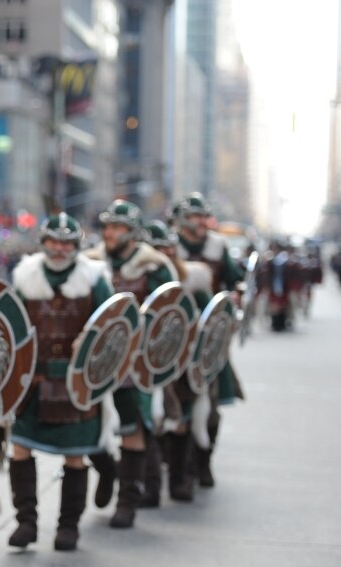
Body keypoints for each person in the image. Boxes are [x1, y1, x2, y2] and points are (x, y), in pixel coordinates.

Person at [7, 213, 115, 552]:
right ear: (43, 242)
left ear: (76, 245)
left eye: (66, 242)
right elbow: (10, 328)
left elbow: (111, 332)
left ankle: (68, 527)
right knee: (20, 448)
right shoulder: (25, 277)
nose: (59, 248)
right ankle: (26, 522)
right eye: (53, 241)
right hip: (34, 381)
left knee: (75, 457)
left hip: (76, 383)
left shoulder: (94, 279)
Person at [84, 200, 177, 525]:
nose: (109, 233)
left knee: (133, 427)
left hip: (134, 365)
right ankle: (107, 469)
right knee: (83, 427)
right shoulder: (90, 265)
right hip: (95, 363)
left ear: (132, 232)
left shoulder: (154, 267)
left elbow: (167, 318)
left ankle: (128, 501)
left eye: (117, 227)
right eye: (107, 226)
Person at [171, 193, 245, 487]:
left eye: (204, 217)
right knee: (175, 406)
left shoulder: (217, 246)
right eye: (195, 217)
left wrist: (236, 292)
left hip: (209, 338)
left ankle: (203, 462)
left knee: (210, 406)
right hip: (173, 338)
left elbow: (234, 278)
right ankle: (179, 468)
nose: (201, 222)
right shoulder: (168, 246)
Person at [143, 220, 213, 504]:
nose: (163, 255)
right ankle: (151, 485)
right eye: (156, 250)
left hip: (182, 360)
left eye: (166, 249)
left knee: (182, 421)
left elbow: (210, 320)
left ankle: (180, 479)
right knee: (150, 422)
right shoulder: (136, 277)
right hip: (145, 360)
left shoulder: (192, 280)